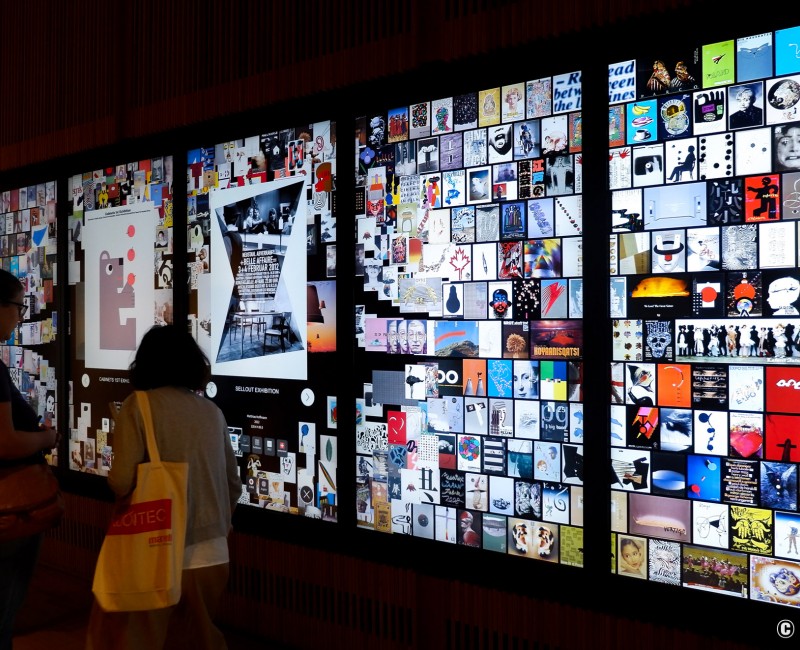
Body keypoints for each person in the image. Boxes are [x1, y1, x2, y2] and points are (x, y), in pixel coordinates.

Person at [86, 325, 241, 650]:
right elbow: (233, 485)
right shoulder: (212, 412)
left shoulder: (137, 406)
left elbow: (121, 481)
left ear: (145, 363)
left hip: (154, 550)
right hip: (212, 554)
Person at [0, 269, 60, 649]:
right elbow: (4, 443)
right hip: (8, 510)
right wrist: (46, 437)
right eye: (18, 308)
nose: (20, 317)